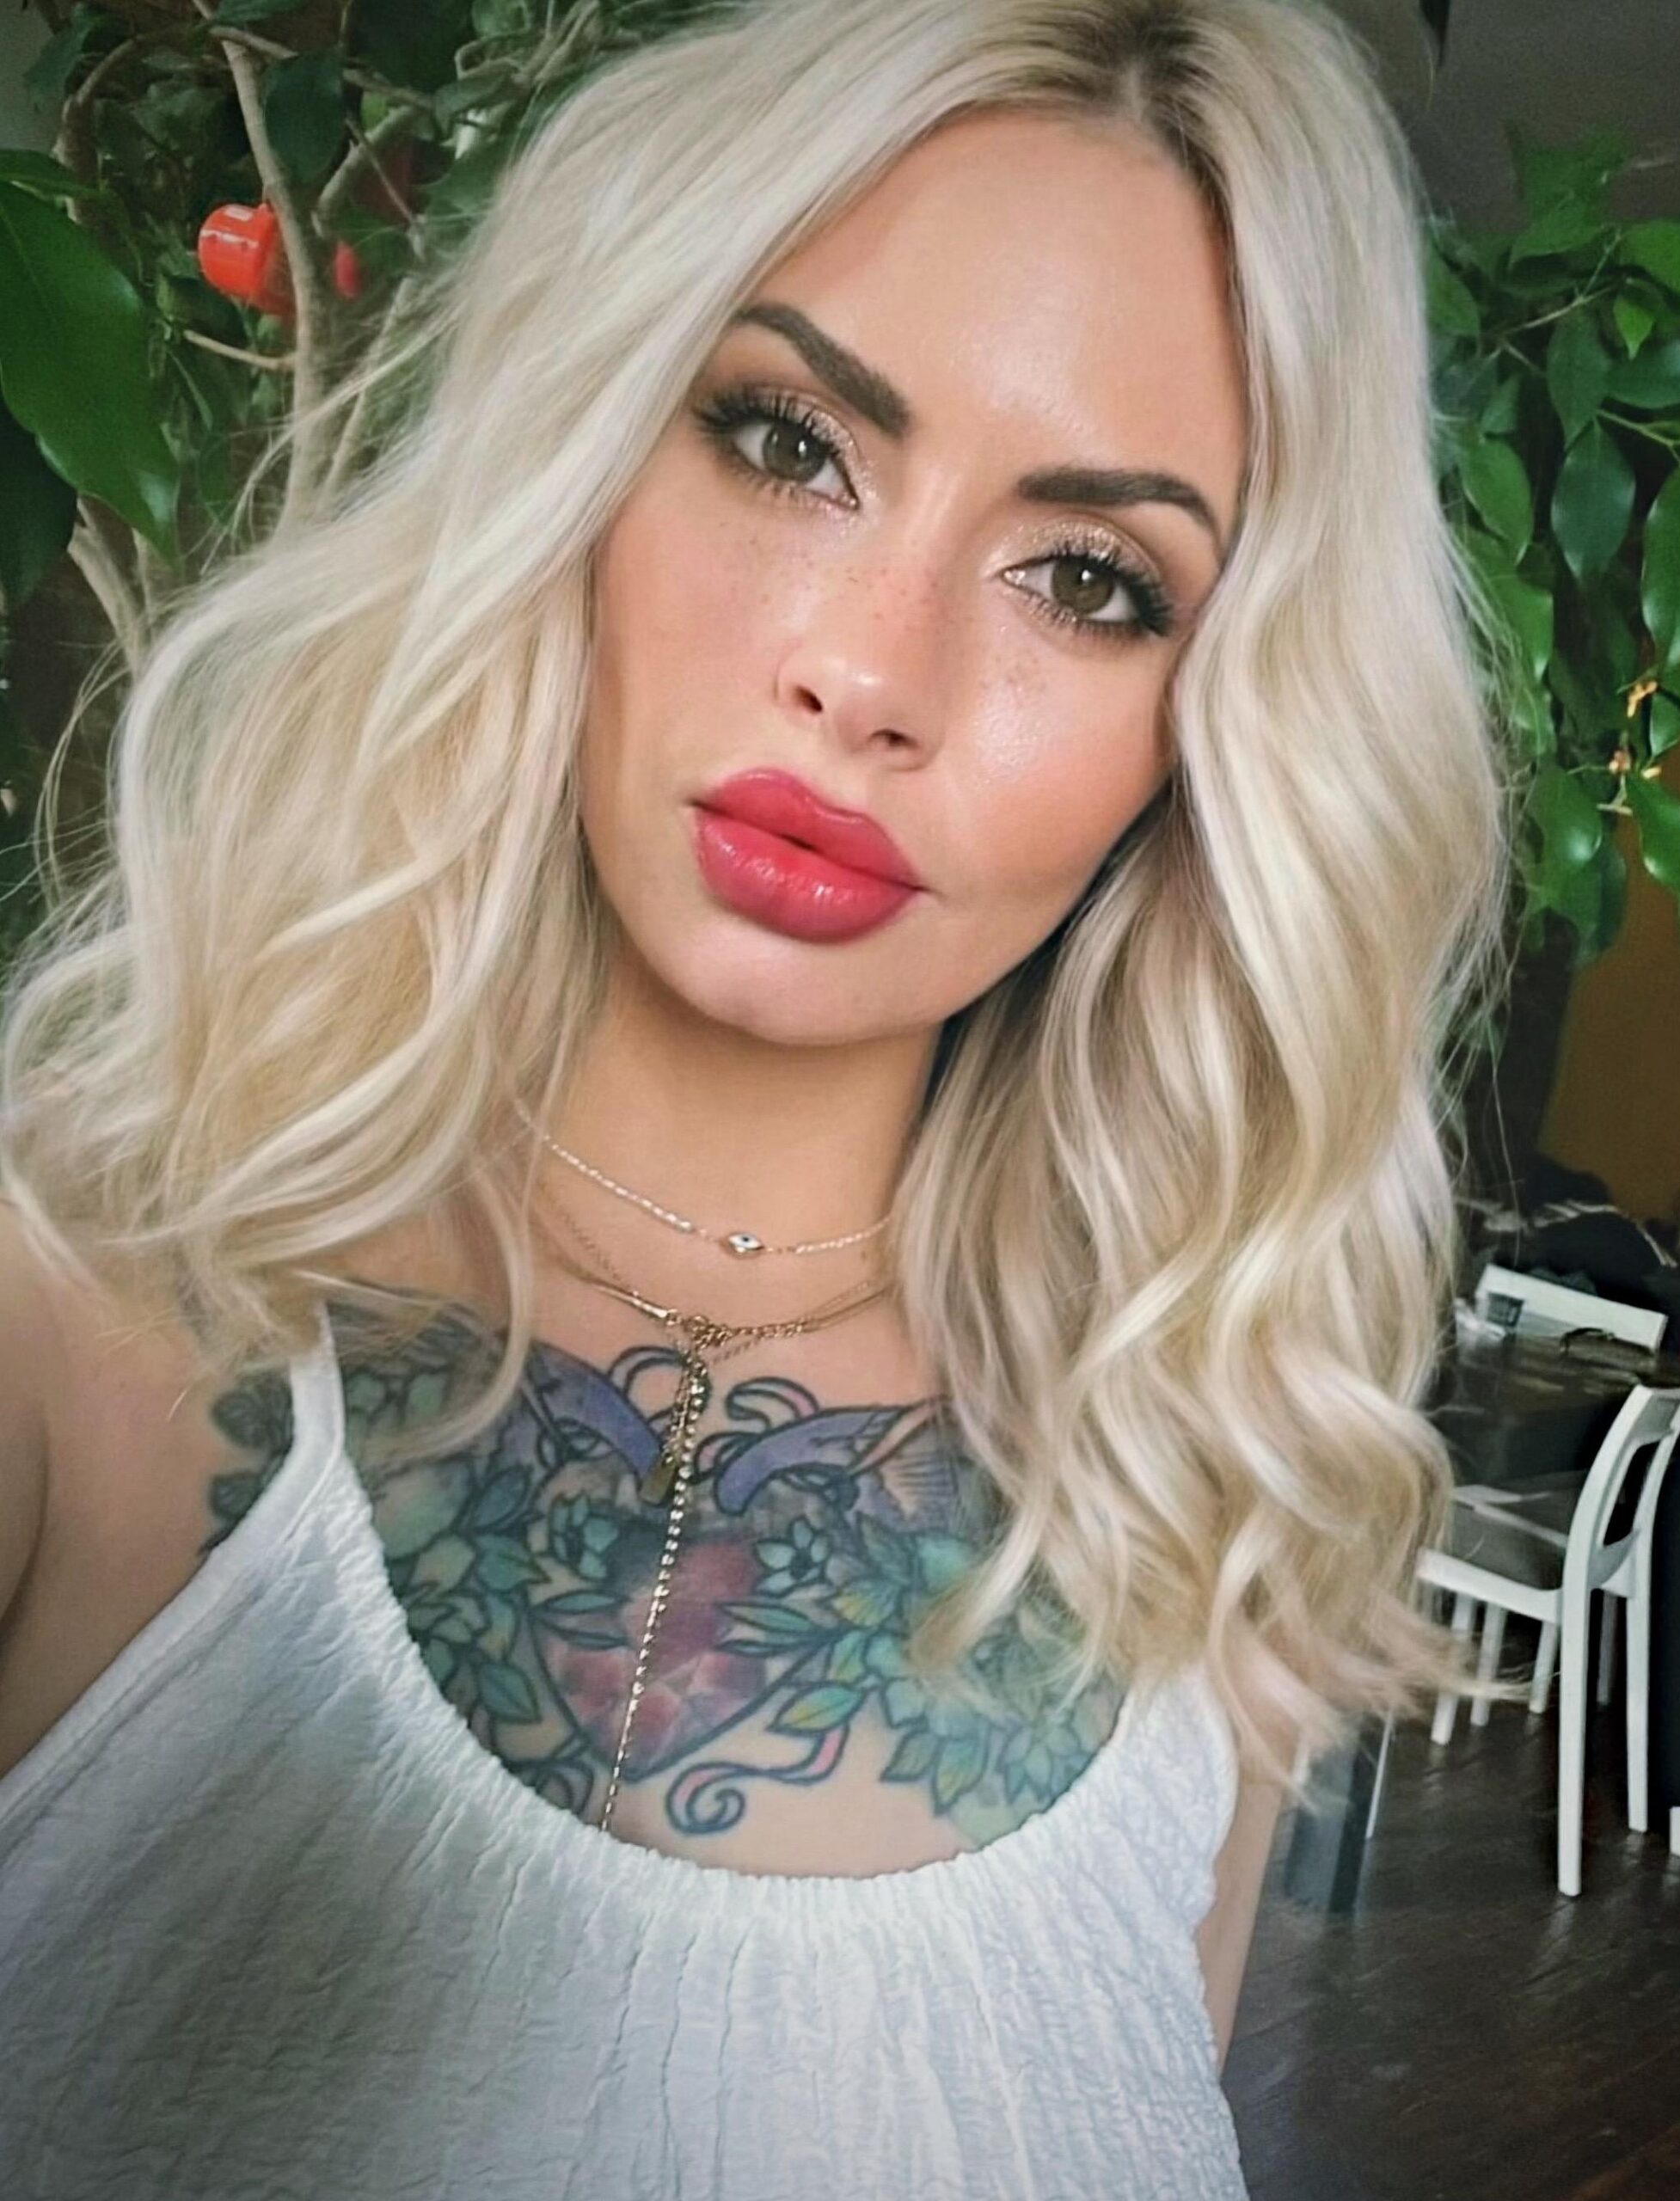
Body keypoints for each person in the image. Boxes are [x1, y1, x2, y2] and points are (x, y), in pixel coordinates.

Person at [0, 0, 1509, 2192]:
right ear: (586, 458)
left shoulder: (1201, 1501)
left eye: (1088, 582)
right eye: (790, 441)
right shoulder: (70, 1312)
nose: (872, 673)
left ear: (1217, 737)